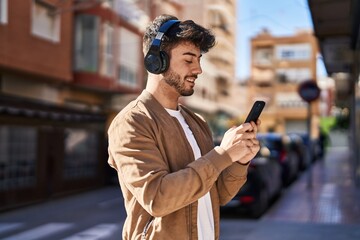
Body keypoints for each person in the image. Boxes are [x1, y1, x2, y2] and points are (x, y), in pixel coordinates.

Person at [107, 14, 261, 240]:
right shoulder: (132, 122)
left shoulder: (197, 122)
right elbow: (158, 198)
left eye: (199, 60)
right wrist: (222, 153)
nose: (198, 69)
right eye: (189, 60)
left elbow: (216, 196)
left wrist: (239, 159)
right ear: (156, 60)